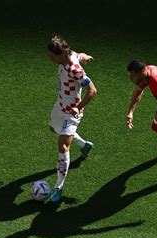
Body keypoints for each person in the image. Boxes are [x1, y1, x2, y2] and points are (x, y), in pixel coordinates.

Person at [46, 35, 97, 202]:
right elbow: (78, 55)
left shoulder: (74, 70)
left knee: (63, 145)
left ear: (61, 54)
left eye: (52, 56)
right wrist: (86, 56)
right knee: (53, 129)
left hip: (72, 112)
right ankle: (84, 145)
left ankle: (58, 188)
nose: (50, 58)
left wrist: (78, 107)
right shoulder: (70, 55)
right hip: (59, 106)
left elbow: (92, 90)